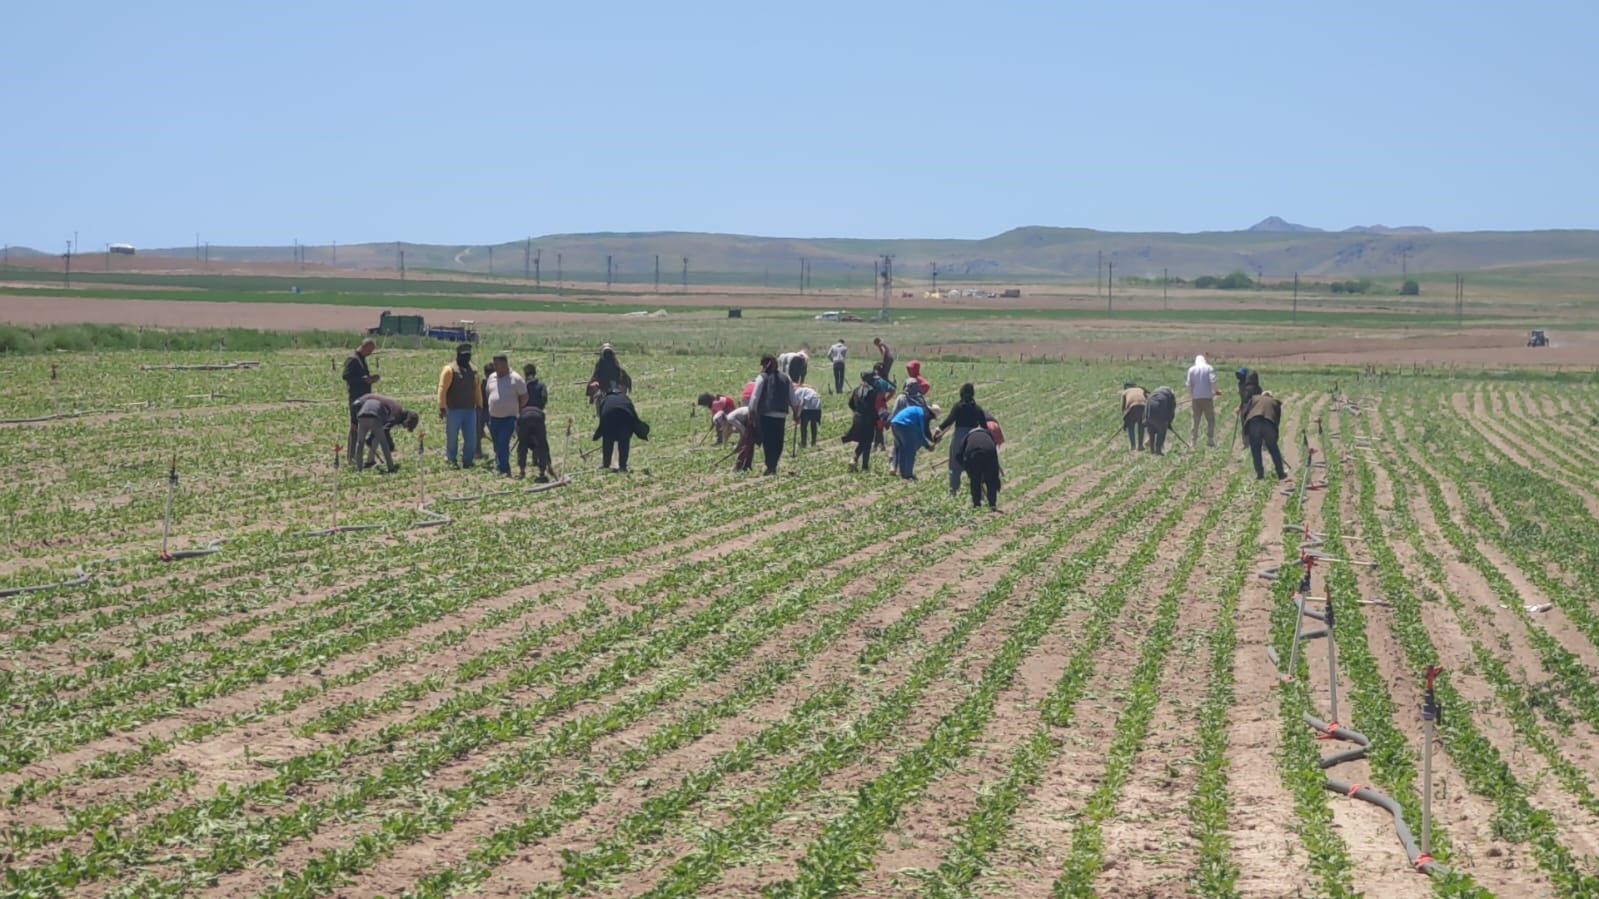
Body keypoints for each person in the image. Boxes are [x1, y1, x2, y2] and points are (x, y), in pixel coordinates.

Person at [934, 383, 989, 497]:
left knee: (955, 465)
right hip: (973, 438)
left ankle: (952, 491)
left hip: (959, 438)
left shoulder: (958, 406)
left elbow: (949, 420)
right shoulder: (977, 408)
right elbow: (984, 426)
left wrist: (939, 429)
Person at [745, 354, 793, 475]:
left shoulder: (762, 377)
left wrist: (751, 412)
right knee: (778, 441)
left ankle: (770, 466)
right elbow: (794, 399)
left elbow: (755, 397)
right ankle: (773, 464)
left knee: (768, 441)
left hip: (766, 414)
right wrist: (796, 412)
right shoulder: (786, 378)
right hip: (781, 415)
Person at [436, 343, 482, 468]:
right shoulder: (449, 370)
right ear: (458, 355)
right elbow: (442, 389)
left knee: (471, 438)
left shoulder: (474, 370)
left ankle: (468, 461)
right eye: (463, 355)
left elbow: (476, 388)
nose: (466, 358)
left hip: (470, 410)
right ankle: (451, 459)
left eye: (468, 355)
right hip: (453, 410)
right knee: (452, 437)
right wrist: (441, 406)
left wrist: (479, 404)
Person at [482, 354, 528, 476]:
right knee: (497, 444)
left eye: (497, 365)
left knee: (503, 442)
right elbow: (488, 393)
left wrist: (516, 408)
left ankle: (504, 468)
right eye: (494, 365)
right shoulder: (492, 377)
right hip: (493, 418)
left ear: (505, 364)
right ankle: (500, 465)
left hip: (509, 418)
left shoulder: (516, 379)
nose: (495, 367)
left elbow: (524, 396)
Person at [351, 393, 419, 472]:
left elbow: (382, 426)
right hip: (369, 411)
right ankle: (391, 467)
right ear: (406, 420)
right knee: (384, 443)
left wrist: (355, 421)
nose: (404, 428)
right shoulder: (396, 413)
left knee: (360, 442)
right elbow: (385, 430)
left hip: (362, 415)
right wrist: (391, 446)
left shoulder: (396, 409)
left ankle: (361, 467)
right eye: (406, 426)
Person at [342, 338, 380, 465]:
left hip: (364, 398)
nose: (370, 353)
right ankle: (351, 457)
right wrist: (364, 380)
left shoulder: (361, 358)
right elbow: (346, 376)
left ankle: (357, 457)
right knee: (355, 426)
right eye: (369, 350)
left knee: (363, 426)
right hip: (356, 398)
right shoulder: (353, 359)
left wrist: (371, 379)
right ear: (364, 346)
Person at [517, 363, 554, 481]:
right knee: (542, 443)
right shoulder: (541, 385)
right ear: (535, 372)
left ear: (525, 373)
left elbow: (518, 399)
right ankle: (542, 470)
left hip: (523, 416)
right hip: (538, 416)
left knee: (522, 444)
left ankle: (522, 470)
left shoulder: (522, 386)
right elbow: (544, 399)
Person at [955, 416, 1002, 510]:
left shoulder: (968, 436)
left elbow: (958, 455)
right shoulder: (988, 434)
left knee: (975, 480)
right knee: (991, 478)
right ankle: (992, 504)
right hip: (989, 452)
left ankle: (977, 504)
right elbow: (993, 452)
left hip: (973, 454)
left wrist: (966, 468)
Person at [592, 386, 641, 472]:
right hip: (625, 420)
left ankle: (605, 464)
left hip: (609, 420)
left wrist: (601, 431)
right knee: (624, 442)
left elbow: (602, 414)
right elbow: (632, 412)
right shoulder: (625, 398)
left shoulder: (605, 399)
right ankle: (622, 466)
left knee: (607, 440)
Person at [1242, 390, 1287, 480]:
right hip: (1268, 423)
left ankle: (1260, 474)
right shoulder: (1275, 402)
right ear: (1271, 396)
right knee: (1274, 449)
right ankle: (1280, 473)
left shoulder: (1254, 398)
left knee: (1256, 450)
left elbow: (1245, 411)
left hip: (1254, 423)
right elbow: (1276, 419)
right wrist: (1273, 438)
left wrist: (1246, 427)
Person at [890, 391, 935, 479]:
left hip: (895, 423)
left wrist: (932, 439)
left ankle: (903, 474)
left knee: (903, 449)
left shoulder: (919, 411)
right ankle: (908, 474)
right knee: (910, 450)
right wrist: (927, 446)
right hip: (904, 426)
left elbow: (924, 432)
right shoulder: (922, 415)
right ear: (930, 414)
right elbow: (920, 434)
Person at [841, 370, 880, 472]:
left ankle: (855, 460)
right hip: (868, 420)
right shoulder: (872, 391)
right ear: (869, 379)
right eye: (872, 379)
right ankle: (863, 465)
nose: (874, 381)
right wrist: (877, 419)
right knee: (867, 442)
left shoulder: (857, 389)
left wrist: (857, 411)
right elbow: (874, 408)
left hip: (857, 418)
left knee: (863, 441)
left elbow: (850, 404)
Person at [1186, 354, 1217, 447]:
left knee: (1195, 420)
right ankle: (1210, 439)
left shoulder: (1191, 369)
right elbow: (1213, 381)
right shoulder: (1209, 368)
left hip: (1196, 399)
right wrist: (1215, 391)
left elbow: (1188, 384)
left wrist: (1192, 395)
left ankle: (1193, 441)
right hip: (1207, 398)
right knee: (1210, 419)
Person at [718, 404, 755, 471]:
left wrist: (741, 444)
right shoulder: (730, 419)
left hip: (750, 415)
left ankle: (738, 466)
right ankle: (747, 466)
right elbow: (741, 432)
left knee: (746, 444)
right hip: (749, 416)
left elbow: (743, 429)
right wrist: (740, 444)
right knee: (749, 444)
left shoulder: (730, 419)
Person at [1146, 385, 1177, 456]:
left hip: (1148, 413)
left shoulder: (1153, 394)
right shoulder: (1169, 396)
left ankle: (1152, 451)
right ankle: (1158, 451)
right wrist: (1169, 422)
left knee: (1151, 432)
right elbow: (1171, 410)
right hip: (1159, 413)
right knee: (1161, 431)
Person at [792, 381, 822, 447]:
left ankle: (803, 443)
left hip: (807, 407)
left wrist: (796, 416)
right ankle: (813, 442)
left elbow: (798, 405)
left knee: (803, 425)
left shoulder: (797, 392)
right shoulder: (807, 389)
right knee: (813, 424)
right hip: (817, 406)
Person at [1120, 382, 1147, 451]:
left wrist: (1125, 421)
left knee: (1130, 426)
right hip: (1143, 407)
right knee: (1141, 426)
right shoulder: (1140, 389)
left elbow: (1123, 408)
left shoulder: (1125, 392)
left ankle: (1133, 446)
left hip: (1132, 407)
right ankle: (1140, 445)